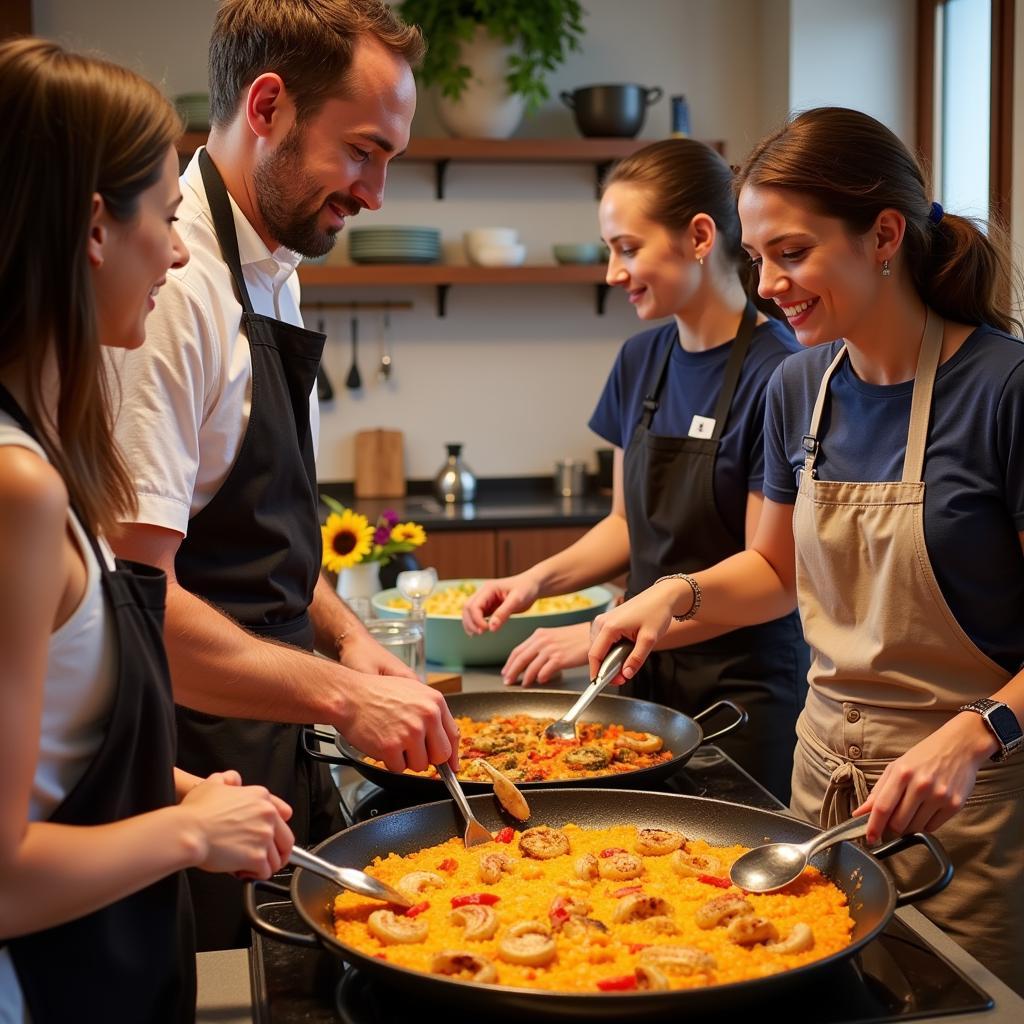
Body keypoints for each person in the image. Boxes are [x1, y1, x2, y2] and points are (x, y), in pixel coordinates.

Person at [587, 107, 1024, 993]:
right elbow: (775, 574)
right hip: (819, 793)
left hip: (969, 805)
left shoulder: (1003, 392)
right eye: (756, 258)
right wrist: (675, 596)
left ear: (885, 235)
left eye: (791, 253)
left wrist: (980, 732)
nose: (769, 283)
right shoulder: (799, 387)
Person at [105, 0, 460, 950]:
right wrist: (346, 700)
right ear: (267, 106)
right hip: (192, 771)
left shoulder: (273, 259)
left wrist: (346, 639)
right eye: (362, 151)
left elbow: (262, 534)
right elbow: (138, 602)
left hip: (270, 739)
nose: (377, 192)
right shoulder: (171, 292)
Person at [0, 38, 294, 1023]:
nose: (176, 251)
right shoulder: (16, 489)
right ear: (93, 227)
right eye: (166, 218)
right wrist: (188, 834)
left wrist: (185, 789)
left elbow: (48, 753)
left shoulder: (48, 452)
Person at [463, 139, 808, 801]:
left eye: (627, 248)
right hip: (639, 681)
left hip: (741, 695)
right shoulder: (641, 359)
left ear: (700, 236)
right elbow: (629, 524)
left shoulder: (780, 373)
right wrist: (533, 581)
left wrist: (601, 628)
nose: (613, 273)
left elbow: (772, 578)